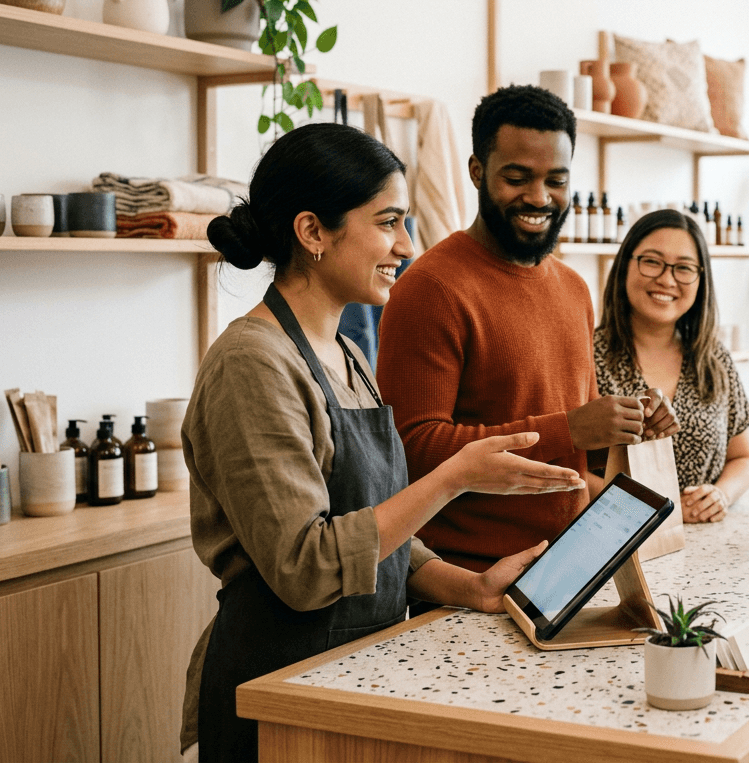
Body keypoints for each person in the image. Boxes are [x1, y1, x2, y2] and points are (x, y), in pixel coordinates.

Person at [182, 123, 585, 762]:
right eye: (388, 222)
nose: (405, 244)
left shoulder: (344, 354)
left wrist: (472, 587)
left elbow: (382, 528)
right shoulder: (252, 363)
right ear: (312, 232)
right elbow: (305, 566)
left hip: (349, 674)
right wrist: (454, 476)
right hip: (276, 692)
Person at [376, 85, 678, 571]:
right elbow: (412, 452)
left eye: (556, 180)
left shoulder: (575, 288)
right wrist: (571, 429)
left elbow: (577, 455)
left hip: (569, 569)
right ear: (477, 172)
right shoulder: (429, 288)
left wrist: (626, 427)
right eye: (517, 178)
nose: (539, 197)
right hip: (468, 580)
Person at [593, 209, 749, 523]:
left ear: (700, 279)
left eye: (683, 268)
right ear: (625, 264)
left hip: (707, 544)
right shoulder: (586, 356)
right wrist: (647, 514)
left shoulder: (713, 358)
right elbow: (571, 474)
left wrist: (722, 494)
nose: (666, 280)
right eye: (652, 261)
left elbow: (743, 457)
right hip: (618, 543)